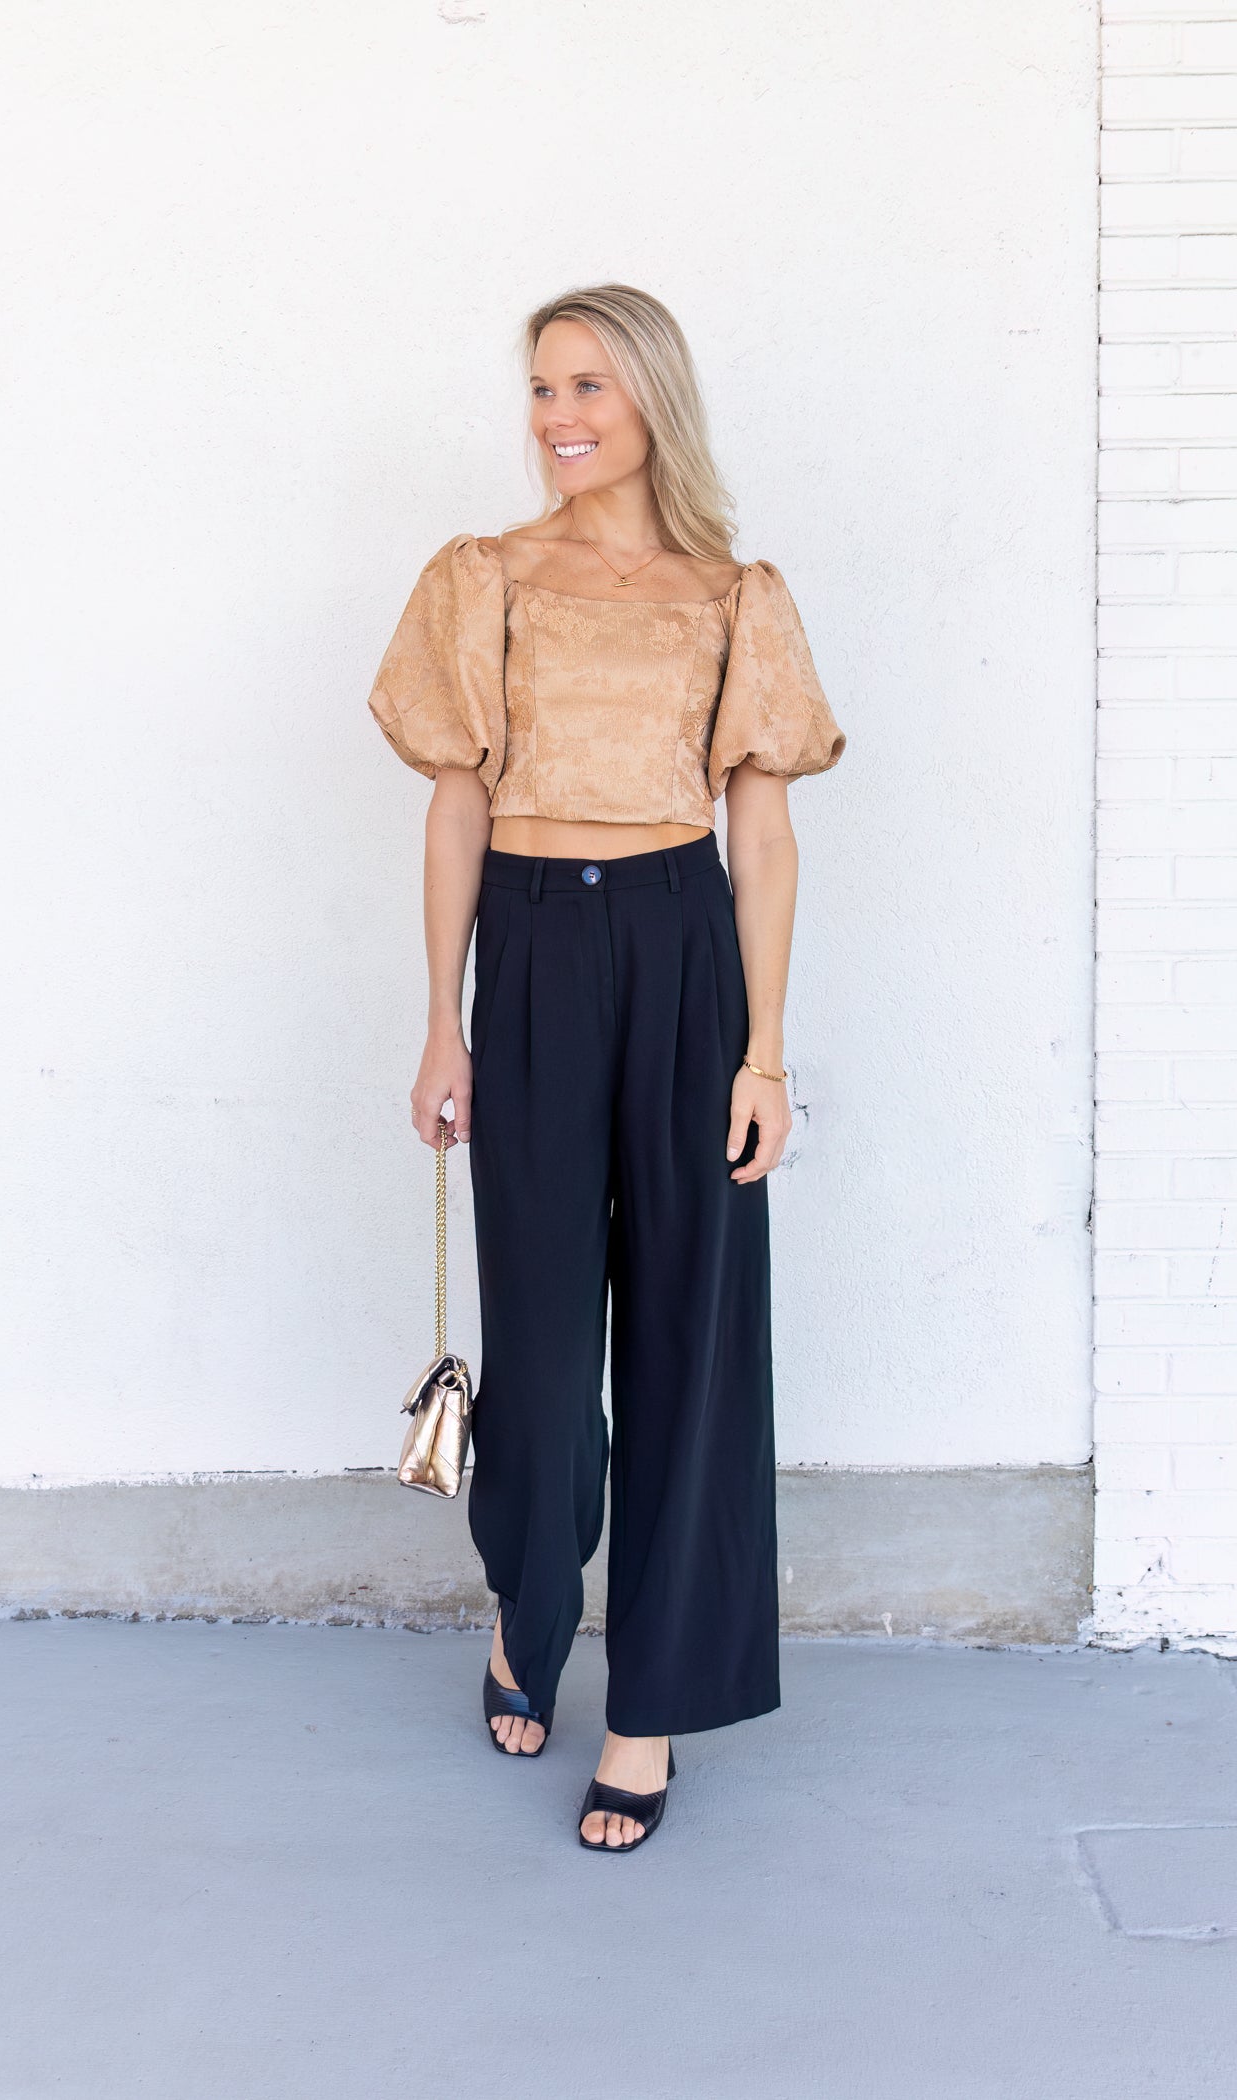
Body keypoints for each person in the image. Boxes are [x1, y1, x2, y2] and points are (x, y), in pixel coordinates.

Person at [368, 282, 846, 1853]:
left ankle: (649, 1709)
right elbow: (454, 806)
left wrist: (764, 1053)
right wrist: (445, 1019)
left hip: (682, 944)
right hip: (534, 949)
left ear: (651, 399)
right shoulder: (485, 578)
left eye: (588, 384)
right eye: (541, 387)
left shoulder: (734, 595)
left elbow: (761, 837)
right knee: (545, 1343)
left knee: (694, 1339)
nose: (558, 415)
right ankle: (529, 1605)